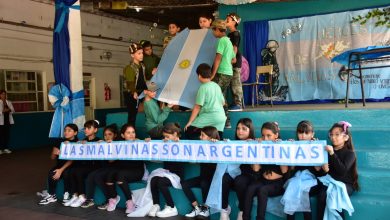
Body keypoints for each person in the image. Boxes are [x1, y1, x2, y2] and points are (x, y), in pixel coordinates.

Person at [243, 122, 289, 220]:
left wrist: (279, 149)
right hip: (263, 180)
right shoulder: (262, 146)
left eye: (269, 136)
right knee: (250, 188)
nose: (265, 139)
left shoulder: (282, 146)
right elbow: (256, 169)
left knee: (262, 190)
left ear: (276, 135)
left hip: (278, 183)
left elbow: (285, 172)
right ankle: (245, 218)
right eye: (263, 136)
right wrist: (257, 148)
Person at [99, 124, 145, 215]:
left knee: (120, 175)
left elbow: (148, 146)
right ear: (123, 135)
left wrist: (145, 141)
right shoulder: (119, 144)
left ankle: (130, 202)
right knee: (110, 174)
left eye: (133, 132)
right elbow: (110, 160)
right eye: (128, 133)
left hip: (137, 171)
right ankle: (113, 198)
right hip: (124, 170)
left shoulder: (138, 142)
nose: (131, 134)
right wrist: (107, 146)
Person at [317, 121, 359, 220]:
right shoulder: (327, 151)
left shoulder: (350, 154)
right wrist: (325, 170)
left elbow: (342, 172)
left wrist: (332, 154)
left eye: (337, 134)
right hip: (331, 182)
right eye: (331, 135)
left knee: (335, 197)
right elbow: (325, 173)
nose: (333, 137)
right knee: (322, 195)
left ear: (345, 137)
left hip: (345, 184)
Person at [285, 120, 325, 220]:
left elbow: (318, 171)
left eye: (306, 133)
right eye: (300, 132)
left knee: (302, 189)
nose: (303, 135)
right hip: (297, 179)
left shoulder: (317, 146)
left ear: (312, 134)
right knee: (293, 187)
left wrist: (314, 148)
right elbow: (292, 169)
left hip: (314, 182)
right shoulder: (295, 146)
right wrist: (290, 149)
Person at [181, 126, 219, 218]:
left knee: (204, 183)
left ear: (210, 137)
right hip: (203, 177)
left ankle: (206, 208)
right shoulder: (200, 148)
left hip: (214, 180)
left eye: (203, 135)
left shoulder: (218, 147)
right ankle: (197, 208)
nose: (200, 137)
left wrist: (217, 145)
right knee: (184, 184)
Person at [148, 123, 184, 218]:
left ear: (175, 134)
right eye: (164, 137)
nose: (166, 139)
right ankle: (156, 205)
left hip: (176, 175)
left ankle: (171, 207)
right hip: (166, 172)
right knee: (153, 179)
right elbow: (155, 158)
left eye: (168, 136)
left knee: (161, 182)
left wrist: (178, 144)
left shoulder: (182, 143)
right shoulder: (164, 144)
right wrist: (149, 143)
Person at [80, 124, 119, 209]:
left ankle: (110, 199)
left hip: (116, 168)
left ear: (115, 135)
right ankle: (90, 199)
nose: (107, 137)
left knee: (98, 177)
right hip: (105, 168)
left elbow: (111, 160)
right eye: (105, 135)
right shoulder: (103, 143)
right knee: (91, 176)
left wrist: (108, 145)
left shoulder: (118, 144)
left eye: (110, 134)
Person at [64, 120, 102, 207]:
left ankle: (82, 196)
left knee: (79, 172)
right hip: (85, 165)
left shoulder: (99, 140)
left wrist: (101, 144)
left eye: (89, 128)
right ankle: (75, 195)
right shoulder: (83, 141)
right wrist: (68, 144)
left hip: (95, 166)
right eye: (85, 128)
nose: (86, 130)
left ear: (95, 130)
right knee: (72, 171)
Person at [38, 123, 79, 205]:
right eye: (65, 130)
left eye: (69, 130)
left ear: (75, 133)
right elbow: (52, 157)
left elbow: (72, 160)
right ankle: (52, 195)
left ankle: (66, 194)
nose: (66, 132)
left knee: (67, 173)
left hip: (72, 165)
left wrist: (61, 170)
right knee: (51, 173)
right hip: (60, 165)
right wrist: (55, 153)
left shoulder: (77, 143)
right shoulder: (59, 141)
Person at [184, 63, 226, 140]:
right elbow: (223, 102)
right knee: (218, 138)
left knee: (189, 131)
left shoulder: (203, 87)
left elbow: (197, 107)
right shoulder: (216, 86)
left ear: (199, 76)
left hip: (210, 116)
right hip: (221, 117)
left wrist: (190, 122)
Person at [210, 19, 236, 128]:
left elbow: (218, 58)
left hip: (222, 72)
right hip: (229, 72)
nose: (212, 32)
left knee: (217, 95)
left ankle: (226, 120)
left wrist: (212, 74)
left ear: (217, 29)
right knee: (221, 95)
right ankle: (225, 121)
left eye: (213, 30)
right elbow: (233, 60)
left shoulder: (221, 41)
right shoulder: (229, 41)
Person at [231, 118, 256, 220]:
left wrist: (252, 145)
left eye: (244, 129)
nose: (240, 131)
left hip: (250, 176)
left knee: (239, 180)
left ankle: (243, 211)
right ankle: (224, 211)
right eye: (238, 128)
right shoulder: (232, 144)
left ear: (250, 131)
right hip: (235, 173)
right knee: (224, 178)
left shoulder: (255, 142)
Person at [123, 43, 147, 126]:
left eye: (142, 53)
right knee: (132, 116)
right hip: (131, 93)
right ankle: (130, 133)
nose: (141, 55)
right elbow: (130, 83)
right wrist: (134, 92)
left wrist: (150, 89)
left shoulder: (142, 66)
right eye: (139, 53)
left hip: (141, 91)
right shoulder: (129, 68)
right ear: (132, 55)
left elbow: (144, 80)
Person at [226, 13, 243, 112]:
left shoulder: (235, 33)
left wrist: (233, 58)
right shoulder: (229, 34)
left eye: (228, 20)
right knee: (232, 81)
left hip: (235, 60)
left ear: (234, 22)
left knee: (236, 81)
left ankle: (238, 103)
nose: (226, 21)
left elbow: (235, 47)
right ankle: (234, 102)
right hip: (231, 59)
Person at [0, 89, 15, 154]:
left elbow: (13, 110)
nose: (4, 95)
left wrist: (7, 110)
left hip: (7, 121)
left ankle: (6, 148)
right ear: (0, 95)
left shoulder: (8, 102)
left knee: (6, 135)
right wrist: (4, 111)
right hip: (0, 122)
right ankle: (0, 149)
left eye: (5, 94)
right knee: (0, 135)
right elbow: (1, 111)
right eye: (2, 94)